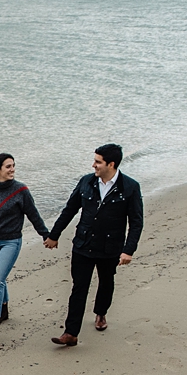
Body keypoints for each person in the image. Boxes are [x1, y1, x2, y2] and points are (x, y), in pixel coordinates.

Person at [44, 144, 143, 346]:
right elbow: (69, 209)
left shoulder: (130, 187)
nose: (93, 165)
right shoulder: (86, 182)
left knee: (106, 283)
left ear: (111, 164)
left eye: (98, 162)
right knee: (79, 287)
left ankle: (101, 313)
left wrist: (128, 250)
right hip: (83, 244)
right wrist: (54, 235)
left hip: (110, 247)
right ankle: (70, 333)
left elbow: (136, 222)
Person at [0, 153, 50, 337]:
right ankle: (3, 311)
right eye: (8, 166)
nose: (12, 169)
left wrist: (46, 235)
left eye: (13, 165)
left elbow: (33, 214)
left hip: (11, 241)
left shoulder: (21, 190)